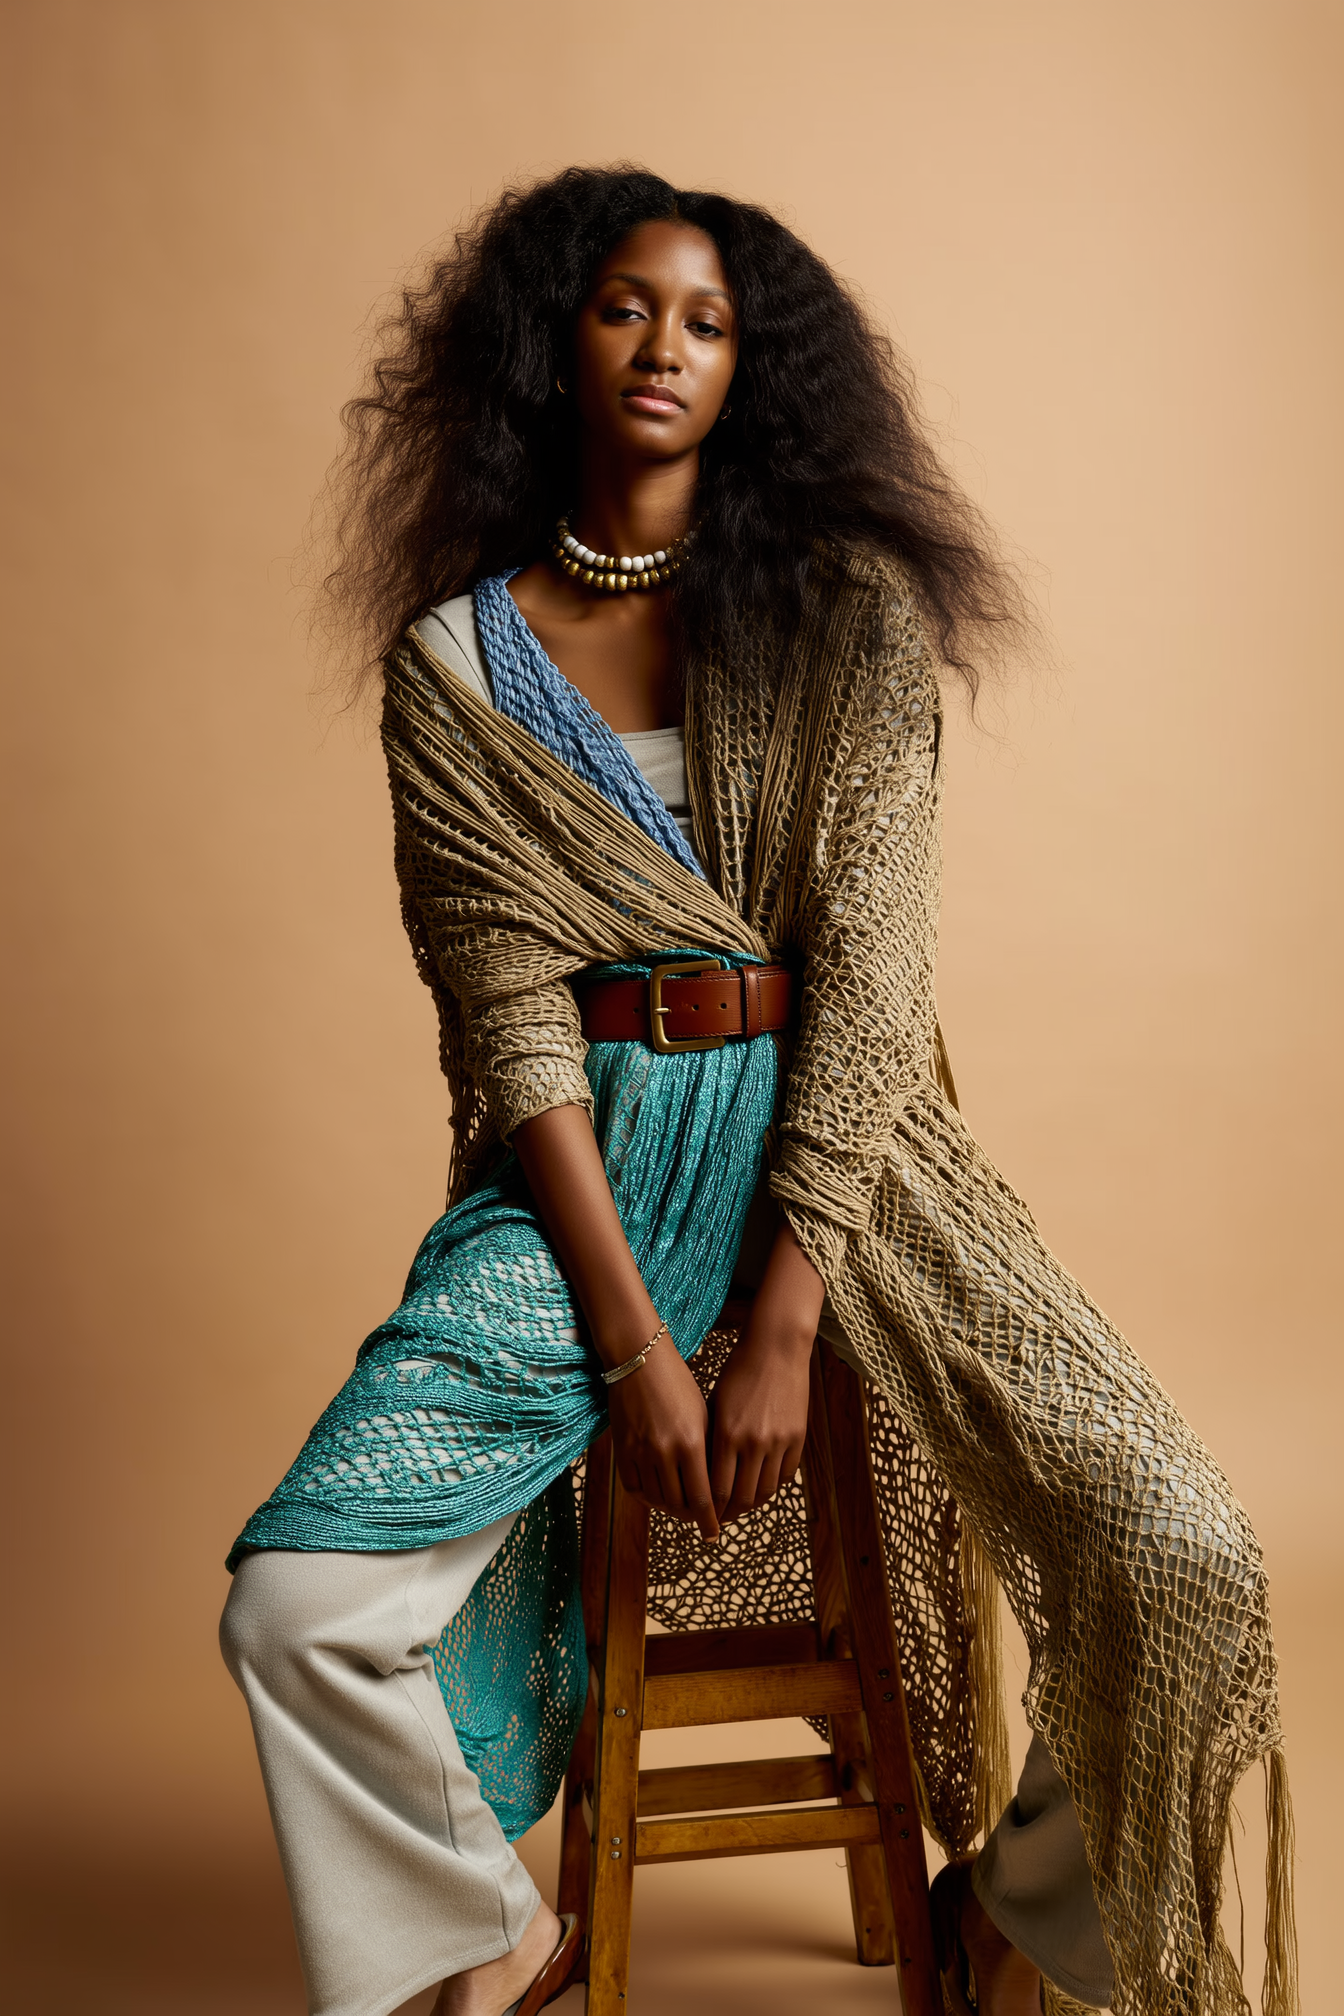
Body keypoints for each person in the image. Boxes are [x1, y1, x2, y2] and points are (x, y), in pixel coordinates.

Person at [220, 168, 1296, 2016]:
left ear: (754, 370)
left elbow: (874, 983)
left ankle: (1026, 1924)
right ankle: (495, 1936)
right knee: (295, 1607)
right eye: (628, 305)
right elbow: (509, 1022)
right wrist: (640, 1345)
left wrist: (786, 1308)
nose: (665, 346)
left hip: (855, 1167)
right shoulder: (455, 668)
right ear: (553, 338)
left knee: (1186, 1549)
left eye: (709, 321)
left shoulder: (843, 619)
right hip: (587, 1175)